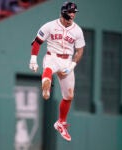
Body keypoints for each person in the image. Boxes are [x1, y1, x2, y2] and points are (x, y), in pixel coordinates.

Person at [29, 1, 85, 141]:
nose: (72, 15)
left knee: (69, 96)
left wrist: (72, 65)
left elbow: (79, 50)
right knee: (48, 69)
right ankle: (46, 88)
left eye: (74, 13)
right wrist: (33, 59)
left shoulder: (77, 30)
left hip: (67, 61)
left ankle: (60, 123)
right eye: (70, 12)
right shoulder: (50, 26)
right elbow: (37, 42)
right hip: (52, 56)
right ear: (63, 13)